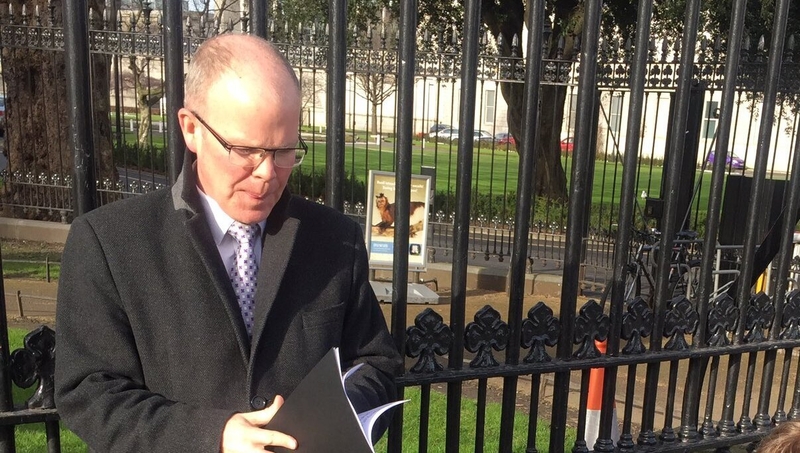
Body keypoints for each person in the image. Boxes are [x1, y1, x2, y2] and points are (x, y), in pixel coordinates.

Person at [54, 33, 402, 452]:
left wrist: (338, 416)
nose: (266, 173)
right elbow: (89, 391)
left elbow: (377, 363)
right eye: (246, 150)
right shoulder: (109, 242)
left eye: (285, 150)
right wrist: (212, 437)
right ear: (190, 129)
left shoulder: (335, 239)